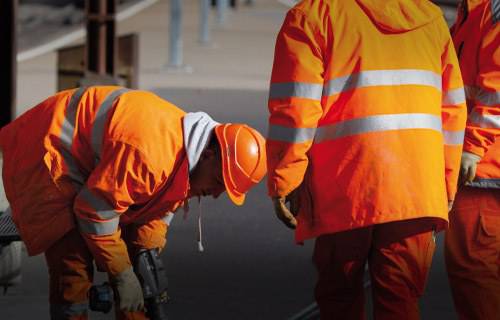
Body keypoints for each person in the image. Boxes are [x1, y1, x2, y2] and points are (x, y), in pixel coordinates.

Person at [266, 1, 467, 319]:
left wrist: (284, 179)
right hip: (417, 189)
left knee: (340, 295)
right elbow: (453, 110)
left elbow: (295, 109)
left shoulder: (313, 16)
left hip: (346, 185)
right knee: (400, 297)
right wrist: (445, 185)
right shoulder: (430, 18)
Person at [0, 86, 267, 320]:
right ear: (208, 155)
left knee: (141, 271)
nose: (217, 194)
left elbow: (154, 211)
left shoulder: (186, 157)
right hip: (49, 150)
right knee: (73, 263)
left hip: (90, 167)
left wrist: (143, 259)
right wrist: (122, 275)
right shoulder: (151, 156)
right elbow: (94, 213)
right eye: (220, 182)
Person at [445, 1, 500, 319]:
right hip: (483, 160)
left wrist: (473, 147)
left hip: (485, 167)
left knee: (472, 267)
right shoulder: (473, 11)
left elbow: (495, 89)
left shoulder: (490, 10)